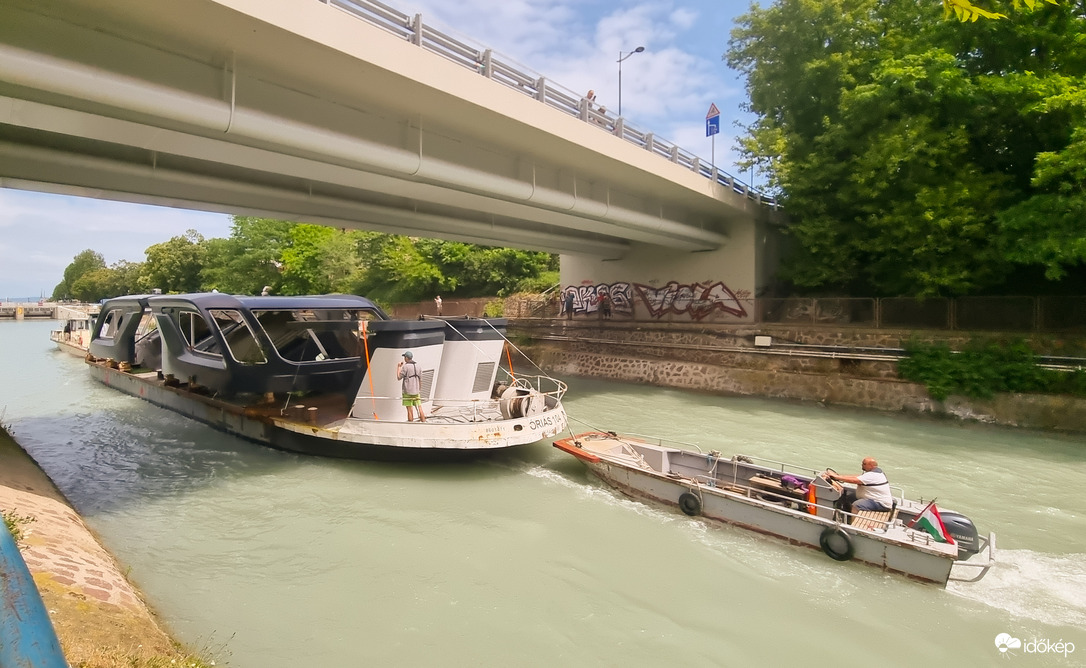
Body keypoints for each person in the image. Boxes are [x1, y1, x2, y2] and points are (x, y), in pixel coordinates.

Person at [825, 457, 892, 513]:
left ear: (871, 465)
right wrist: (839, 476)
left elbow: (855, 480)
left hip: (880, 504)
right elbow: (857, 477)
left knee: (856, 505)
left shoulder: (872, 475)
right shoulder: (876, 472)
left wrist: (837, 477)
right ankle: (846, 513)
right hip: (873, 498)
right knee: (849, 497)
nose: (862, 465)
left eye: (864, 464)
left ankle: (852, 524)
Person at [397, 351, 425, 422]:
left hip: (407, 392)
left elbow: (399, 377)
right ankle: (424, 422)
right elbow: (420, 379)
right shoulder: (418, 366)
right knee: (419, 407)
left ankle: (410, 424)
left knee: (409, 409)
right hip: (416, 391)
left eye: (404, 357)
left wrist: (399, 367)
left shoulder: (405, 367)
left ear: (406, 358)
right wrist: (419, 390)